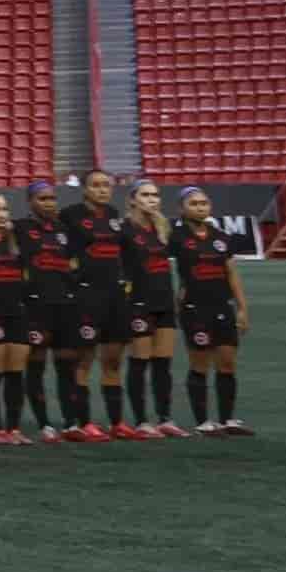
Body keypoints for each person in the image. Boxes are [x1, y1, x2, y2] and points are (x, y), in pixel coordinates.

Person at [171, 185, 250, 436]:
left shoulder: (220, 237)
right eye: (194, 203)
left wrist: (242, 308)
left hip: (222, 307)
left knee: (227, 363)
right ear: (182, 208)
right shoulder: (176, 236)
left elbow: (232, 274)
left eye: (204, 203)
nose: (200, 207)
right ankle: (203, 422)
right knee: (200, 364)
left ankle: (227, 419)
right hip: (195, 308)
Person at [21, 176, 90, 438]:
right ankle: (44, 425)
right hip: (36, 307)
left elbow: (74, 263)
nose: (49, 203)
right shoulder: (21, 228)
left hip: (65, 306)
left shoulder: (64, 230)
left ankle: (70, 422)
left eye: (52, 198)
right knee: (36, 365)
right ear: (30, 202)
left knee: (66, 365)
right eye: (43, 199)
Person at [71, 167, 136, 440]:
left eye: (106, 185)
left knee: (113, 361)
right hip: (87, 297)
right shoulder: (71, 216)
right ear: (85, 189)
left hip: (115, 297)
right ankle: (83, 422)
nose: (102, 190)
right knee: (83, 361)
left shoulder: (113, 216)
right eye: (96, 185)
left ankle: (117, 421)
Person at [0, 191, 42, 442]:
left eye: (4, 209)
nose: (1, 214)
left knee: (15, 372)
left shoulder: (16, 238)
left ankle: (14, 429)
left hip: (18, 311)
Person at [118, 181, 183, 436]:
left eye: (155, 195)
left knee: (163, 363)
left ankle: (165, 418)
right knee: (139, 361)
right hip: (138, 302)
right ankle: (142, 420)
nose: (152, 200)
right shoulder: (123, 230)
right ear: (132, 200)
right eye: (145, 195)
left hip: (164, 300)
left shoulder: (163, 227)